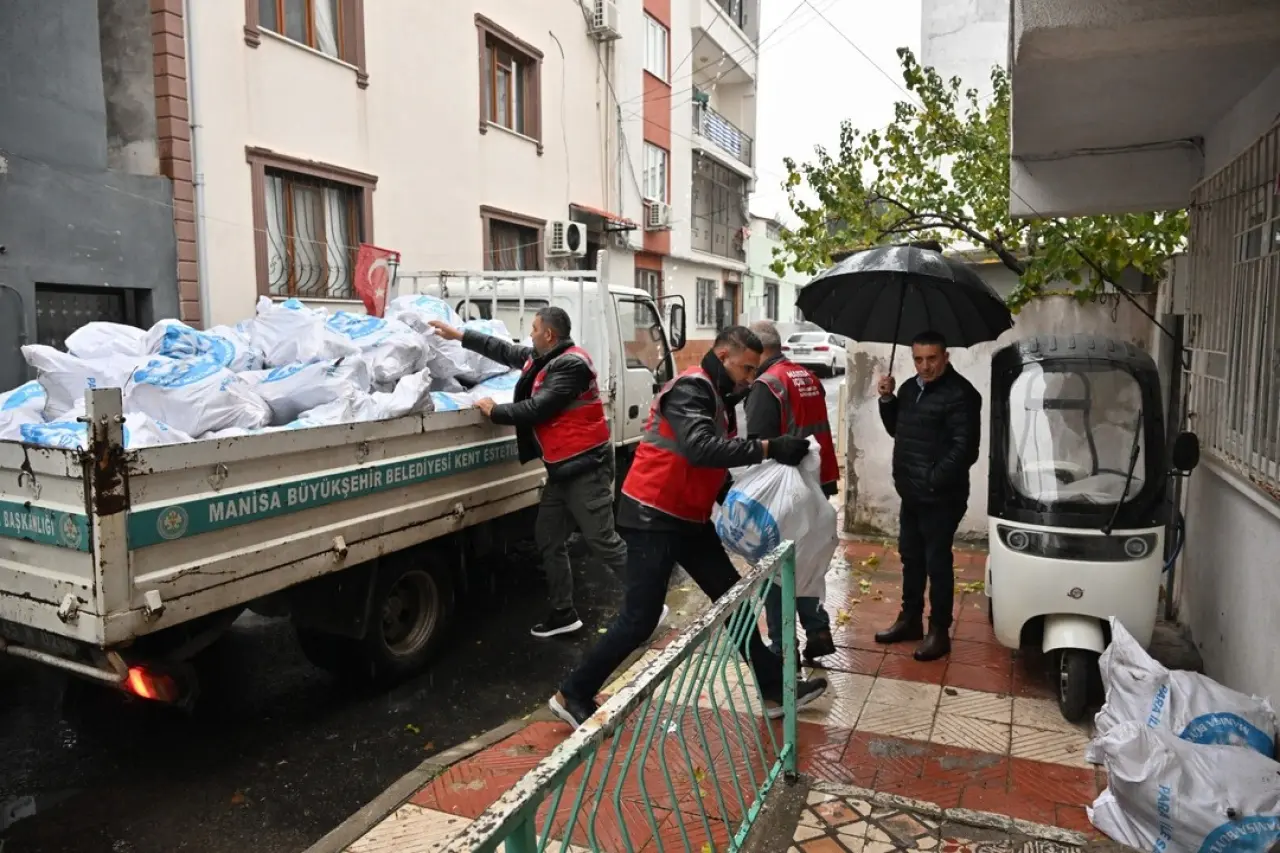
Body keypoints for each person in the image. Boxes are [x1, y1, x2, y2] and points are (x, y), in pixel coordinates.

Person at [548, 326, 829, 728]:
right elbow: (700, 448)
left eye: (754, 370)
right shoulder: (691, 388)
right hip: (653, 517)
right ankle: (573, 692)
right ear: (723, 357)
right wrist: (770, 447)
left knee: (732, 600)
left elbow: (711, 464)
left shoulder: (720, 397)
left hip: (689, 519)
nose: (750, 378)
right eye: (746, 369)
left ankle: (772, 688)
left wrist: (737, 502)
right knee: (640, 618)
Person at [429, 308, 627, 639]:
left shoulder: (571, 365)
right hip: (562, 470)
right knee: (548, 538)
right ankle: (564, 613)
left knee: (603, 541)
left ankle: (649, 599)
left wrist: (495, 411)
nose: (530, 334)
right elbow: (505, 350)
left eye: (534, 328)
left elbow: (539, 408)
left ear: (549, 334)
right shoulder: (543, 358)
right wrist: (459, 335)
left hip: (586, 470)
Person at [874, 329, 982, 661]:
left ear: (945, 357)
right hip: (912, 493)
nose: (925, 366)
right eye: (918, 359)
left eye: (932, 358)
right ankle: (910, 620)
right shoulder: (909, 389)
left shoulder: (962, 394)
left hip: (942, 497)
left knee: (937, 563)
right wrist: (887, 400)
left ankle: (939, 631)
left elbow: (965, 449)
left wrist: (932, 480)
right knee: (911, 557)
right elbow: (898, 429)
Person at [744, 320, 839, 663]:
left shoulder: (767, 385)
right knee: (808, 560)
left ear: (758, 350)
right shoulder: (806, 375)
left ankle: (782, 648)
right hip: (817, 481)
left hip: (785, 491)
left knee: (776, 570)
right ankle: (817, 629)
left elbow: (758, 446)